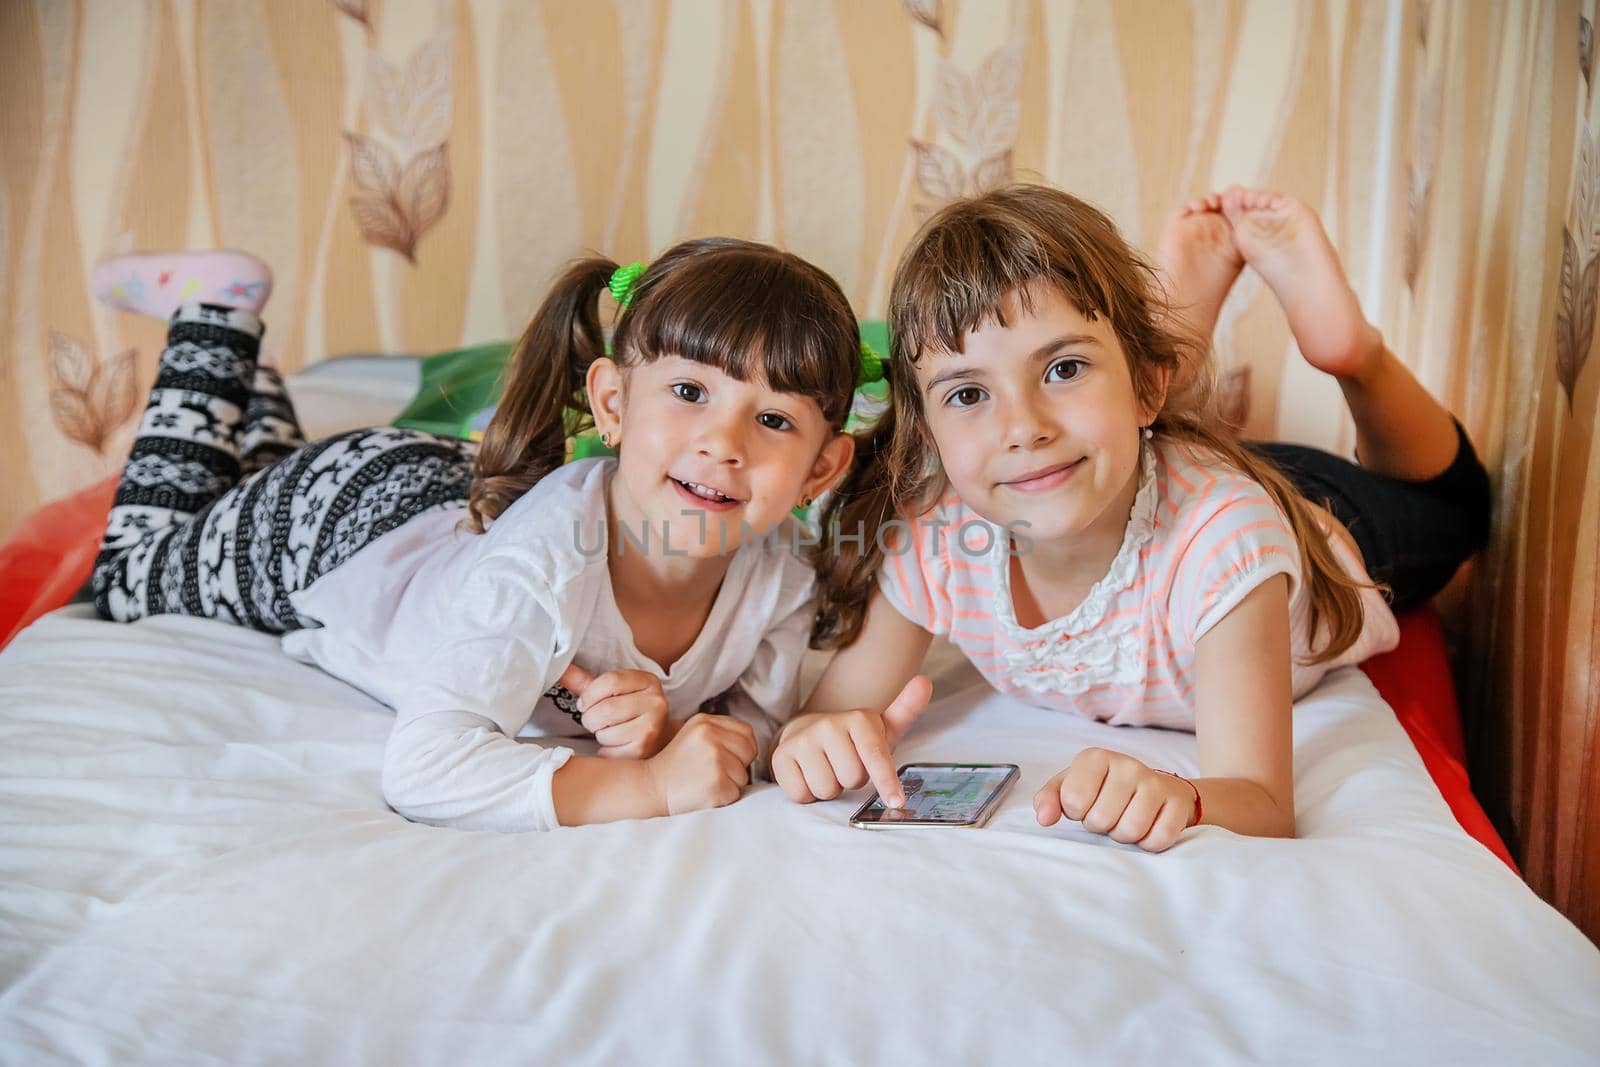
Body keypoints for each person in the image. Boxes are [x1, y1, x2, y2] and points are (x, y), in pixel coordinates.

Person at [772, 184, 1491, 852]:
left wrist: (1176, 794)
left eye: (1062, 369)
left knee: (1457, 512)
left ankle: (1353, 353)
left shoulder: (1226, 543)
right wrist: (815, 739)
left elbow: (1263, 802)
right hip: (1140, 463)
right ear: (925, 434)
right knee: (1126, 452)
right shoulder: (936, 536)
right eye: (967, 395)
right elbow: (827, 711)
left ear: (1148, 387)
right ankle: (1161, 336)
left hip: (1329, 521)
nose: (1022, 427)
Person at [90, 239, 860, 832]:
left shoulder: (783, 573)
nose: (724, 442)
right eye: (689, 391)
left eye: (773, 419)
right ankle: (218, 313)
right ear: (614, 404)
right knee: (126, 576)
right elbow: (424, 767)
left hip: (464, 501)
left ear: (820, 468)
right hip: (340, 520)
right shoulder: (547, 567)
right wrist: (649, 783)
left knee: (238, 483)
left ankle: (259, 388)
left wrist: (680, 728)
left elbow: (742, 733)